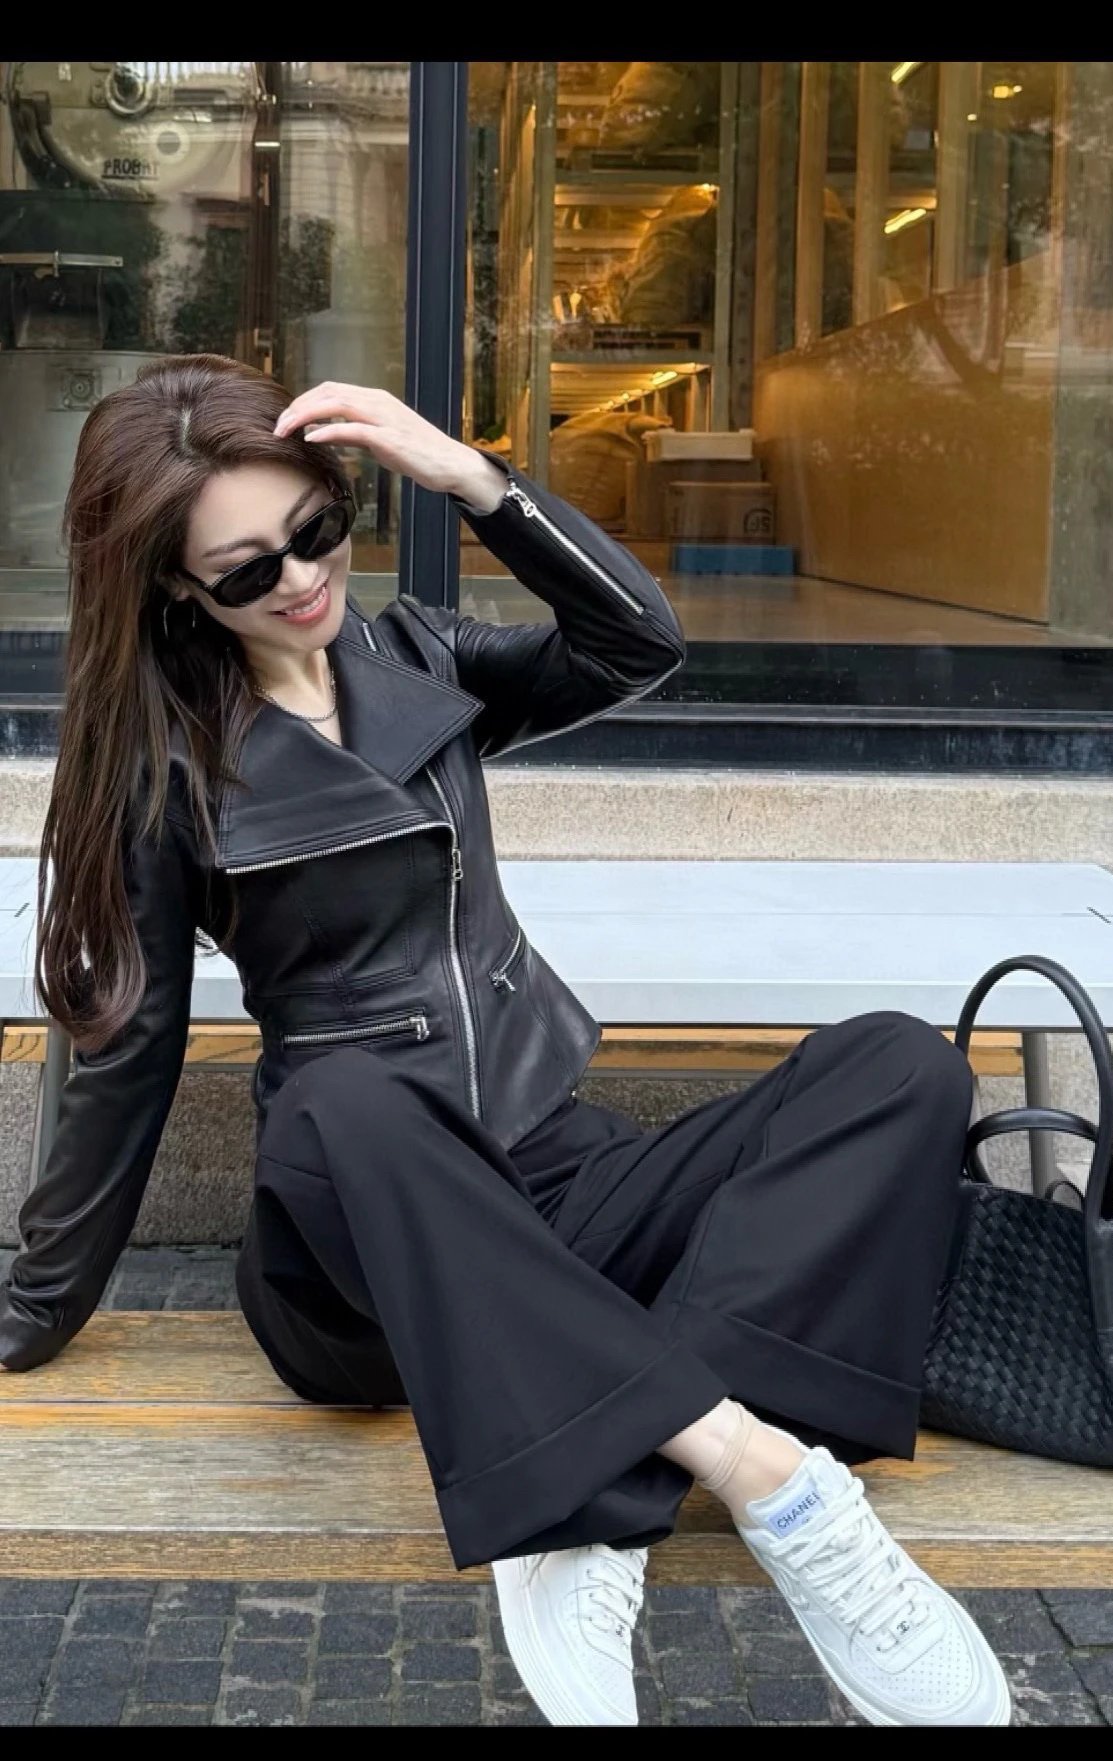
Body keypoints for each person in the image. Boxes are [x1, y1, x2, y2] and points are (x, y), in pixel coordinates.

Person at [0, 355, 1009, 1729]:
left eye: (316, 528)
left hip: (554, 1182)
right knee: (344, 1095)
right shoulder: (166, 768)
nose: (301, 579)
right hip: (362, 1255)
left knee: (900, 1063)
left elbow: (636, 645)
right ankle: (772, 1481)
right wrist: (32, 1306)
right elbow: (129, 1057)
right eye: (246, 571)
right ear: (178, 589)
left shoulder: (420, 657)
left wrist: (472, 478)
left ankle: (592, 1475)